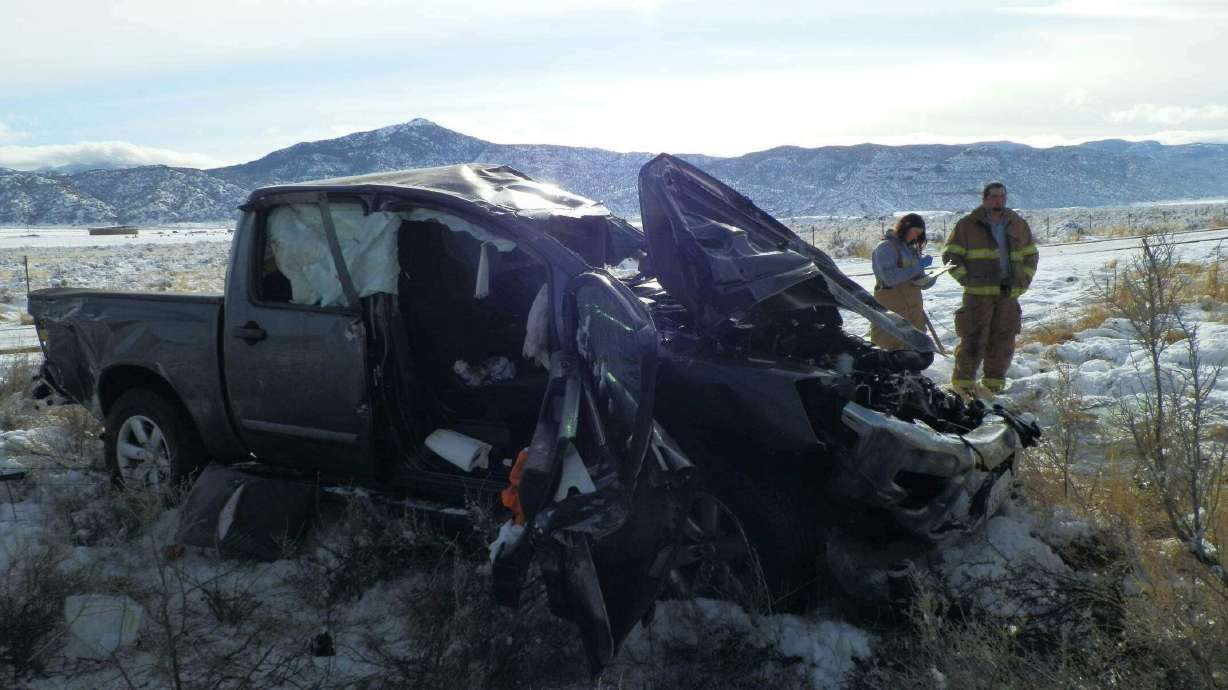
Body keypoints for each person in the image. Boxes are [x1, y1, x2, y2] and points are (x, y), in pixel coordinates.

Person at [942, 182, 1039, 395]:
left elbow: (1031, 255)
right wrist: (967, 280)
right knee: (973, 341)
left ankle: (993, 390)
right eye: (994, 196)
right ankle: (962, 390)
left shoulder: (1018, 224)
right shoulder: (967, 225)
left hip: (1007, 295)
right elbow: (950, 256)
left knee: (1003, 341)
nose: (999, 200)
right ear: (985, 198)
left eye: (1002, 196)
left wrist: (1022, 282)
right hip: (978, 297)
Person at [870, 213, 935, 350]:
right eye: (915, 232)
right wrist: (918, 265)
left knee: (916, 344)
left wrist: (930, 279)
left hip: (914, 308)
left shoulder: (912, 250)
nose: (916, 237)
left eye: (920, 234)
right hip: (892, 306)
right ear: (906, 227)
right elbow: (889, 278)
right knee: (891, 343)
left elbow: (917, 277)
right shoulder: (885, 248)